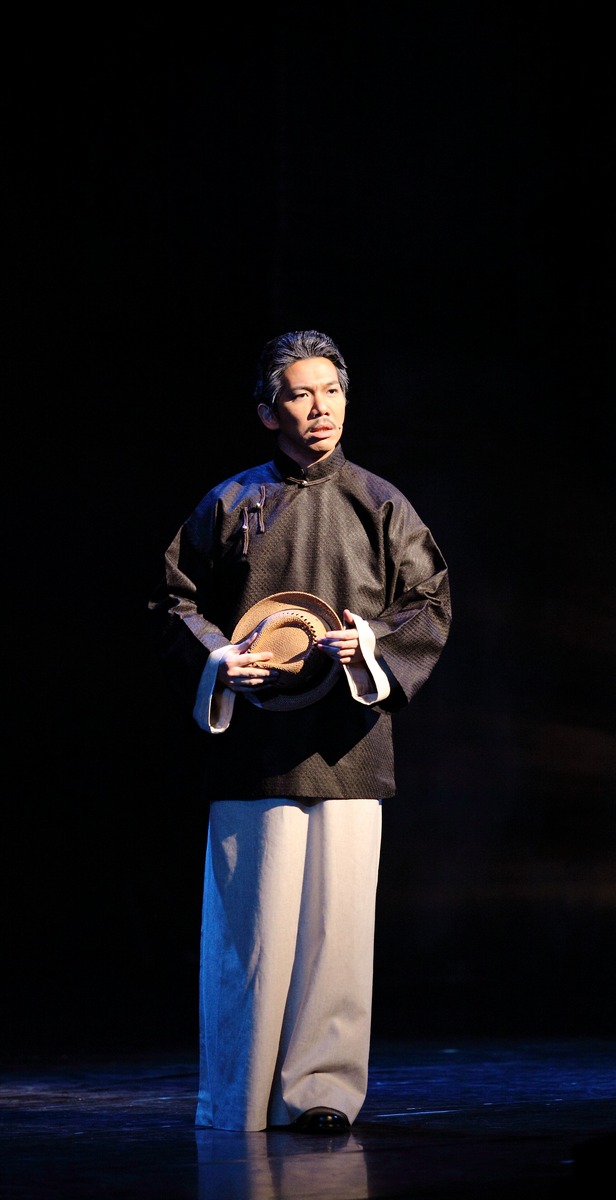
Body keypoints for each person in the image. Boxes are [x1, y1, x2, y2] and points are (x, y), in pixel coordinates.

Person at [147, 329, 451, 1135]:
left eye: (332, 391)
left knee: (337, 933)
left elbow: (429, 601)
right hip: (256, 745)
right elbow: (174, 600)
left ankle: (323, 1092)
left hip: (349, 741)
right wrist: (220, 660)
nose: (321, 408)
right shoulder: (231, 503)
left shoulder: (379, 503)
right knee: (252, 934)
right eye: (301, 393)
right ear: (267, 410)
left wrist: (371, 642)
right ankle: (240, 1094)